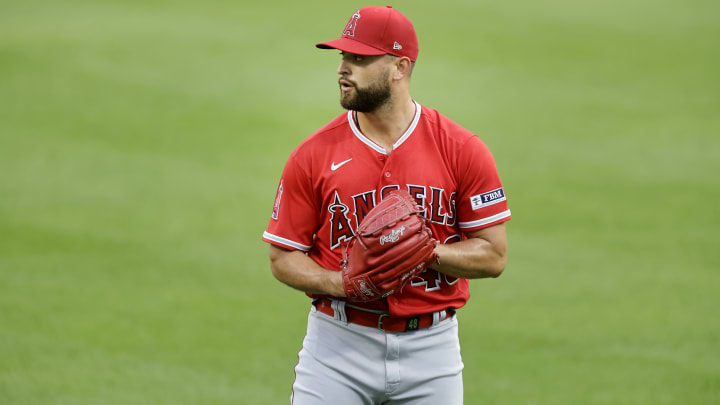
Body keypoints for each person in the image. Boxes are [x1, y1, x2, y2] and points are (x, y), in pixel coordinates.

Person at [262, 5, 511, 404]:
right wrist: (341, 283)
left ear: (399, 67)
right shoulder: (312, 155)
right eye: (343, 56)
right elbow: (282, 256)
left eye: (359, 58)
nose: (344, 68)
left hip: (432, 353)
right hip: (337, 347)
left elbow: (493, 255)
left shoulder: (462, 149)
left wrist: (423, 253)